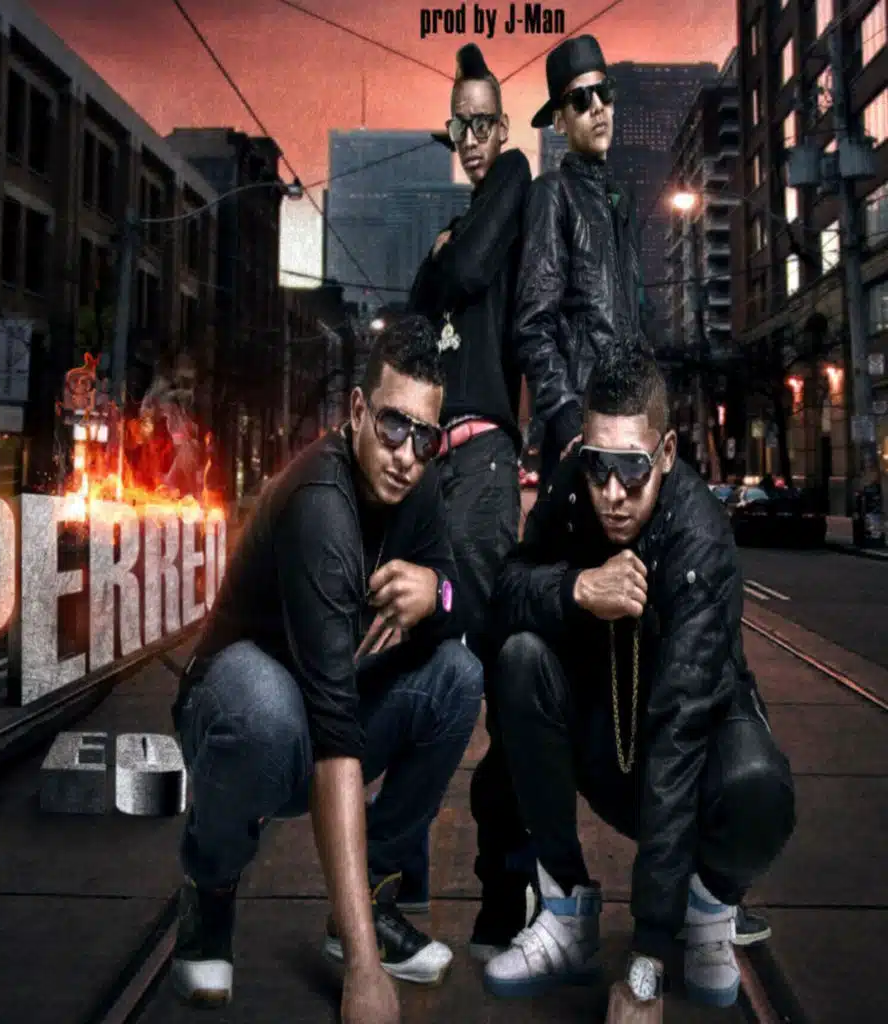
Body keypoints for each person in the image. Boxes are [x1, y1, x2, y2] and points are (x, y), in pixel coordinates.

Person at [169, 315, 483, 1022]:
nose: (406, 454)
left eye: (425, 438)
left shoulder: (418, 487)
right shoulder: (320, 502)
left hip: (322, 715)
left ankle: (365, 903)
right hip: (242, 724)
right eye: (394, 426)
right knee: (264, 703)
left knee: (459, 678)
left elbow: (466, 601)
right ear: (358, 411)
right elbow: (334, 730)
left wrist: (436, 592)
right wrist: (364, 976)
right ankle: (210, 889)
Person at [482, 344, 796, 1014]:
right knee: (519, 659)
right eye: (599, 466)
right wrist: (574, 589)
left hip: (693, 752)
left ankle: (707, 908)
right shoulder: (572, 491)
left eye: (632, 469)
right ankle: (566, 911)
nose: (613, 493)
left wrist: (647, 955)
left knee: (759, 786)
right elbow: (506, 589)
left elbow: (680, 732)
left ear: (667, 452)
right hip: (607, 739)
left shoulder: (700, 539)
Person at [406, 43, 545, 955]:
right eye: (458, 124)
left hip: (486, 467)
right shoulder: (466, 221)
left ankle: (509, 892)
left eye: (483, 121)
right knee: (418, 667)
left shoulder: (516, 180)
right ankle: (396, 889)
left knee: (498, 673)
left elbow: (450, 282)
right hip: (433, 468)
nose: (471, 137)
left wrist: (446, 257)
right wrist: (442, 259)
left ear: (502, 126)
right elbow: (416, 322)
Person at [517, 34, 644, 482]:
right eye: (580, 99)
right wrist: (567, 416)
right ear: (560, 121)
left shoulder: (620, 203)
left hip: (628, 421)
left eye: (604, 92)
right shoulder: (552, 194)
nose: (598, 108)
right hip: (581, 430)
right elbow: (532, 326)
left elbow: (632, 325)